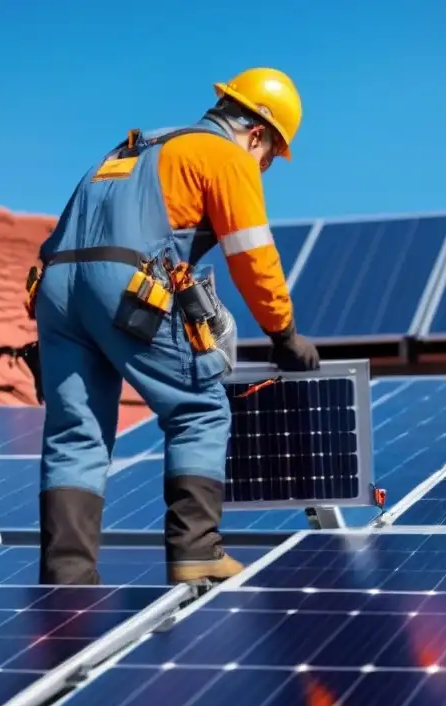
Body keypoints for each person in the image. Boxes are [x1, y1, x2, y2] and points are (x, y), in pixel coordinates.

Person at [29, 67, 320, 587]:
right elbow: (252, 255)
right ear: (256, 133)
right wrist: (285, 334)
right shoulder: (225, 156)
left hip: (54, 291)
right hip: (123, 289)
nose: (265, 166)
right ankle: (197, 551)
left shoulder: (131, 149)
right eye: (270, 156)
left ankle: (67, 575)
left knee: (77, 433)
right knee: (200, 410)